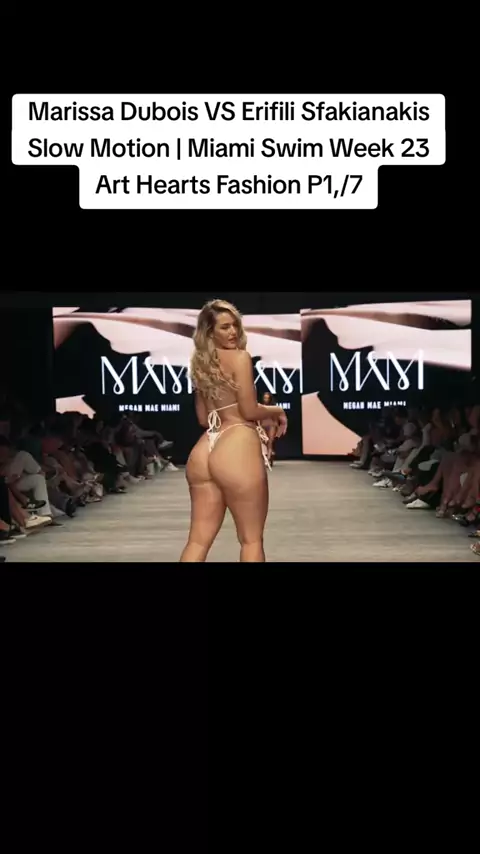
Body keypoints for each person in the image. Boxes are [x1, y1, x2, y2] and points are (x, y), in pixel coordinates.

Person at [179, 300, 287, 563]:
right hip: (236, 443)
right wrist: (277, 410)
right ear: (210, 331)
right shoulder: (240, 358)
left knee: (197, 542)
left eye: (235, 325)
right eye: (225, 327)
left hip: (205, 449)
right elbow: (249, 410)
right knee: (251, 540)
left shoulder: (199, 363)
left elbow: (203, 418)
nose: (233, 332)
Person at [260, 392, 279, 465]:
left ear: (270, 399)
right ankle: (269, 455)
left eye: (267, 398)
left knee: (270, 441)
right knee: (264, 442)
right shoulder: (260, 407)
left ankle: (268, 458)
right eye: (265, 397)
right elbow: (258, 417)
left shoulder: (273, 407)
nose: (266, 399)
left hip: (271, 425)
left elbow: (276, 419)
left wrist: (276, 428)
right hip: (263, 425)